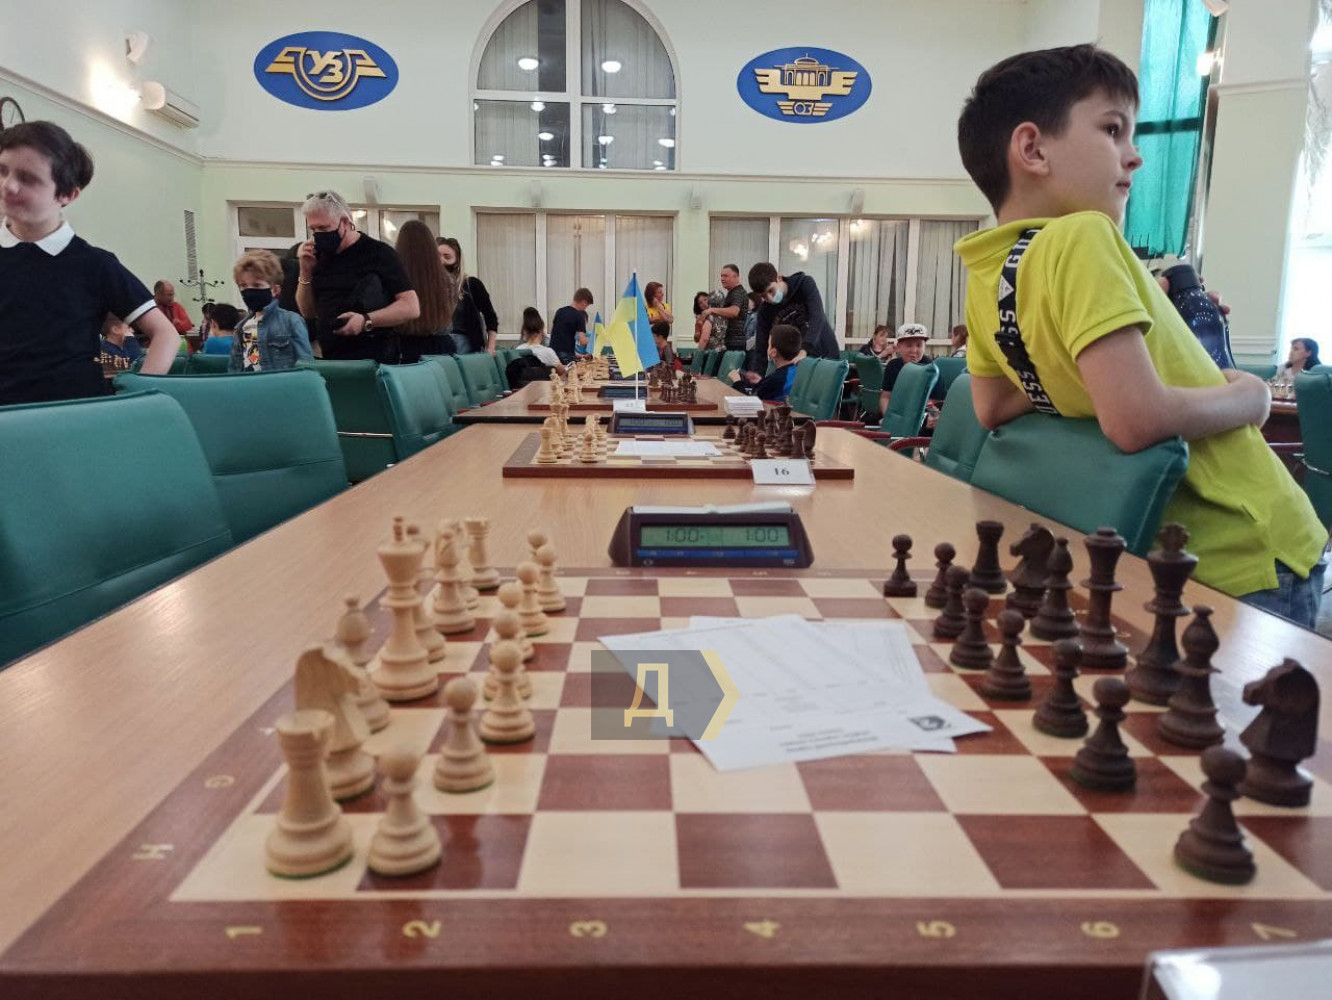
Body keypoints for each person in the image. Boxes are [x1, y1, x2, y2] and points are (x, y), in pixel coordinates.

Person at [954, 44, 1326, 624]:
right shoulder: (1086, 235)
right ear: (1032, 148)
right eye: (1113, 130)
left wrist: (1100, 367)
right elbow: (1134, 420)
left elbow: (993, 404)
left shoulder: (986, 270)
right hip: (1244, 547)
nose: (1135, 156)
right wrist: (1249, 396)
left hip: (1167, 557)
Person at [0, 120, 180, 404]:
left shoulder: (94, 264)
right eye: (2, 170)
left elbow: (165, 334)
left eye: (29, 178)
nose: (8, 185)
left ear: (67, 194)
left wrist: (136, 401)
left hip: (75, 414)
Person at [295, 189, 419, 362]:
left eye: (323, 228)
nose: (318, 234)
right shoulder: (317, 256)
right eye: (313, 229)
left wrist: (365, 321)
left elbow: (411, 307)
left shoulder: (378, 253)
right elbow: (308, 311)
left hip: (373, 357)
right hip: (331, 356)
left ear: (345, 222)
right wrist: (305, 271)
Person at [229, 250, 313, 373]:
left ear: (275, 290)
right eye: (243, 285)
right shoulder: (241, 327)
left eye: (257, 285)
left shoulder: (291, 321)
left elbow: (305, 363)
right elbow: (235, 367)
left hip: (280, 383)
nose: (249, 291)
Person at [747, 262, 840, 364]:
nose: (769, 298)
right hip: (795, 361)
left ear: (778, 278)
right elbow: (761, 348)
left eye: (770, 291)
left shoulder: (804, 284)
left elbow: (817, 317)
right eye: (763, 296)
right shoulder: (765, 311)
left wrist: (804, 349)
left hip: (825, 354)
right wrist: (757, 371)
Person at [393, 220, 456, 362]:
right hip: (441, 347)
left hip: (403, 346)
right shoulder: (447, 280)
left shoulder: (394, 278)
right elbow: (449, 313)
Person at [436, 237, 498, 355]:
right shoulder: (430, 288)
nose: (441, 261)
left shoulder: (471, 285)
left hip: (464, 344)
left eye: (447, 257)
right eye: (437, 256)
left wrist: (491, 347)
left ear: (457, 261)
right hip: (436, 344)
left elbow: (490, 316)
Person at [726, 323, 802, 402]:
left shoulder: (776, 379)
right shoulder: (794, 370)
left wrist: (737, 381)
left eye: (769, 345)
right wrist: (760, 382)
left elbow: (751, 401)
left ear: (773, 352)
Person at [507, 307, 565, 387]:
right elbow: (562, 372)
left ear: (524, 332)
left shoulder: (518, 350)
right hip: (545, 389)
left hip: (522, 390)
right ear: (541, 330)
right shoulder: (548, 351)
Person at [698, 265, 749, 352]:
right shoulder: (732, 293)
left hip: (734, 343)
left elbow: (734, 311)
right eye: (721, 276)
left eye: (725, 276)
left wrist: (711, 310)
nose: (722, 279)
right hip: (731, 342)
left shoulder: (737, 293)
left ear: (736, 276)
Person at [549, 288, 594, 364]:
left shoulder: (560, 311)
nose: (585, 308)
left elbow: (559, 338)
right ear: (584, 302)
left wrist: (582, 356)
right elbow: (582, 341)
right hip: (566, 356)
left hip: (552, 354)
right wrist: (594, 341)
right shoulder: (579, 316)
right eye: (587, 305)